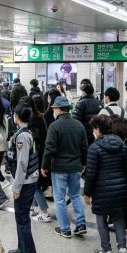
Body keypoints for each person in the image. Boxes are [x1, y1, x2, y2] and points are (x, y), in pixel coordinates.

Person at [42, 96, 88, 238]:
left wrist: (44, 166)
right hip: (75, 167)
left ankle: (65, 229)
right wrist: (84, 163)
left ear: (58, 109)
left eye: (54, 108)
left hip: (59, 168)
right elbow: (84, 147)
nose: (53, 111)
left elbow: (49, 149)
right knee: (75, 195)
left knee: (60, 198)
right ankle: (80, 224)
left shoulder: (54, 126)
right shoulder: (78, 125)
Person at [84, 115, 127, 253]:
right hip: (120, 188)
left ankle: (107, 250)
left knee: (101, 219)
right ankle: (122, 248)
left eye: (94, 129)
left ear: (97, 129)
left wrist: (87, 193)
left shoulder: (94, 147)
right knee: (118, 218)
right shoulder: (121, 144)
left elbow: (90, 174)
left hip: (101, 190)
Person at [6, 103, 42, 253]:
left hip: (25, 182)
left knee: (22, 220)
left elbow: (22, 163)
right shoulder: (25, 133)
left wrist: (16, 187)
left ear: (18, 117)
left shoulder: (22, 137)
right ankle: (22, 248)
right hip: (28, 180)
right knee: (21, 217)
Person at [23, 96, 51, 222]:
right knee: (35, 182)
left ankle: (44, 212)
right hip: (42, 154)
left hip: (33, 155)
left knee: (34, 185)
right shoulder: (41, 117)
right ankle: (33, 207)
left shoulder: (29, 121)